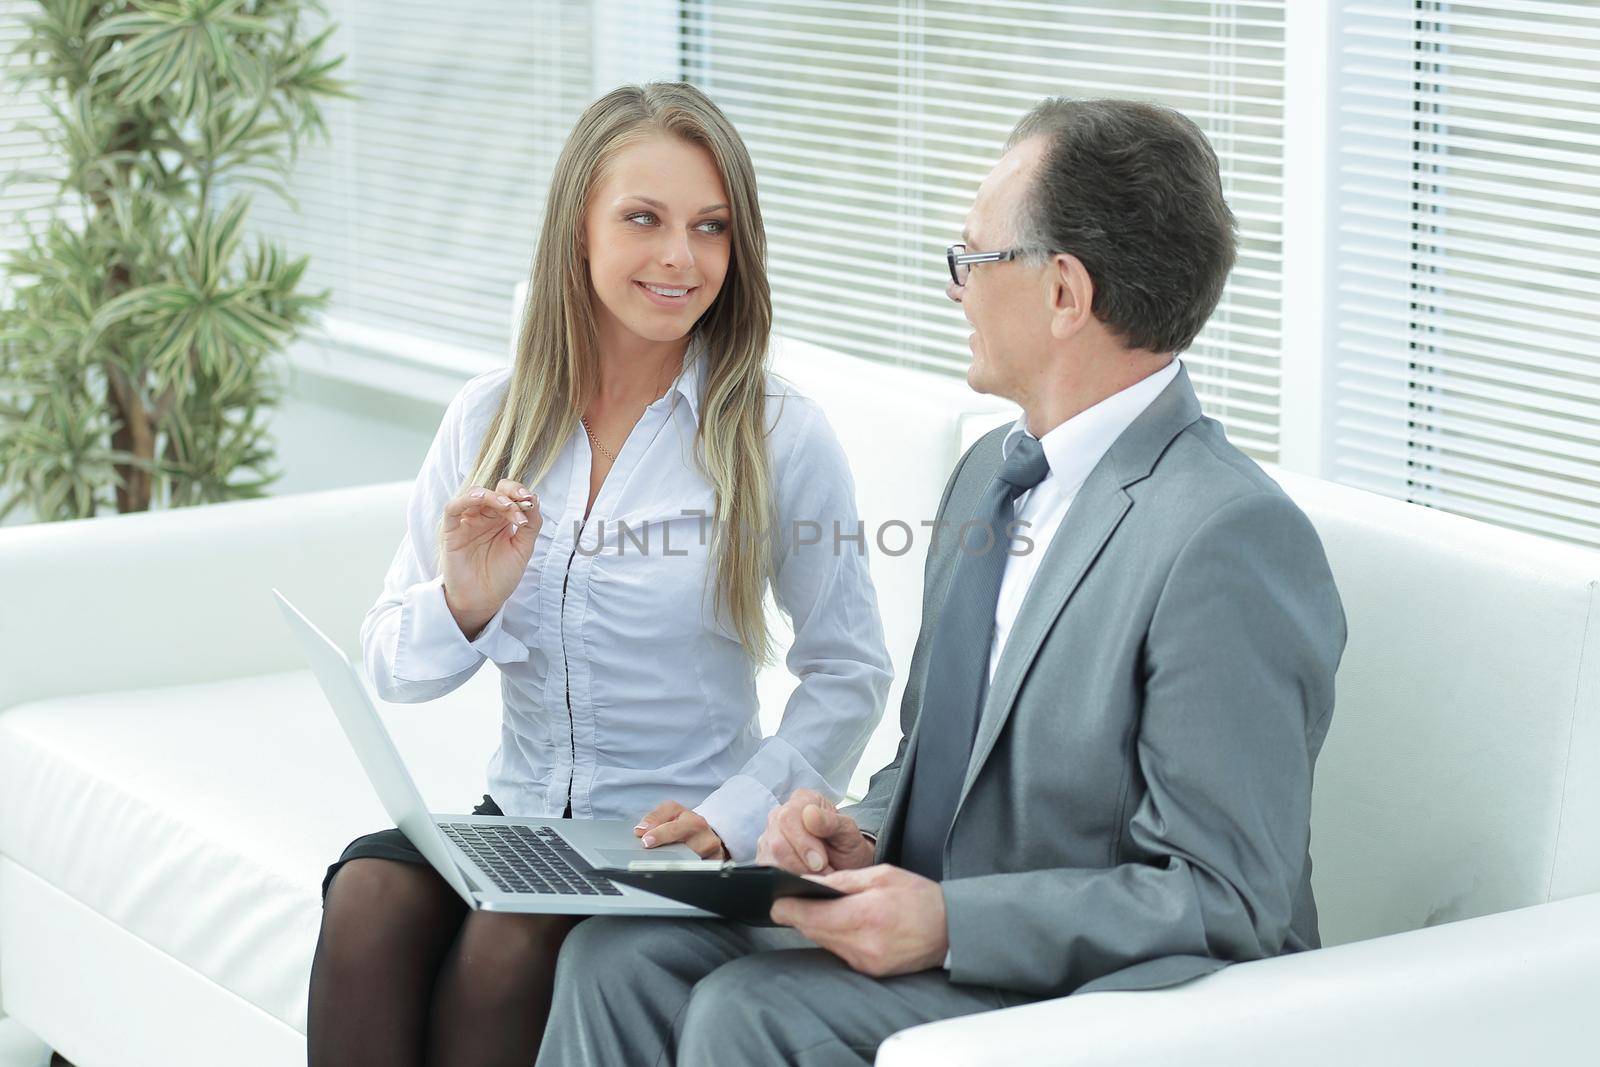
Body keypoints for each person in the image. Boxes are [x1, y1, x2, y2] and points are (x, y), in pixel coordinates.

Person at [535, 97, 1348, 1067]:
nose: (955, 289)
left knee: (749, 1010)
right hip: (949, 927)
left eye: (971, 259)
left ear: (1062, 294)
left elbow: (1226, 895)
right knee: (616, 956)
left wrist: (953, 921)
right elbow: (931, 760)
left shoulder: (1226, 537)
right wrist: (855, 831)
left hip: (1094, 991)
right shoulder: (992, 477)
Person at [305, 82, 892, 1067]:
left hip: (672, 842)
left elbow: (851, 670)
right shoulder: (491, 416)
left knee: (506, 943)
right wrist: (466, 599)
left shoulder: (777, 434)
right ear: (577, 228)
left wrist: (731, 815)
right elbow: (394, 672)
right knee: (368, 899)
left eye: (711, 228)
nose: (681, 258)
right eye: (644, 219)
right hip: (523, 818)